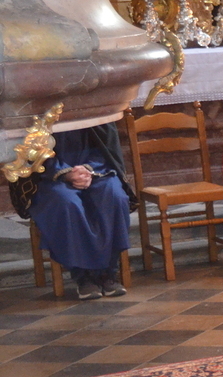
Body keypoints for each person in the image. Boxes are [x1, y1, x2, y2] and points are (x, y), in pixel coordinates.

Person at [9, 123, 137, 300]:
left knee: (115, 196)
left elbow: (106, 144)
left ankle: (108, 272)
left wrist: (88, 169)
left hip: (97, 169)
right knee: (67, 202)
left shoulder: (94, 107)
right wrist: (65, 172)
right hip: (49, 175)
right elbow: (32, 148)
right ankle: (83, 277)